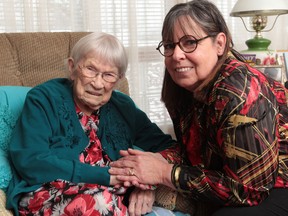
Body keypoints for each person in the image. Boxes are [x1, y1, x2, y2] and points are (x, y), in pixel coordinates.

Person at [109, 0, 288, 215]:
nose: (176, 55)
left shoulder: (239, 90)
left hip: (275, 183)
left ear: (220, 44)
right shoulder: (184, 83)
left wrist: (165, 173)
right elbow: (193, 153)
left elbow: (249, 190)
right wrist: (150, 170)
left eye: (190, 42)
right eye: (169, 45)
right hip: (238, 178)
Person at [6, 32, 179, 216]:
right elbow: (30, 160)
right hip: (49, 193)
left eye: (108, 75)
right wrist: (105, 176)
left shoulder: (124, 107)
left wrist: (149, 184)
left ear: (118, 79)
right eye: (90, 70)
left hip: (112, 198)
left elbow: (171, 148)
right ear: (72, 68)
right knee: (100, 202)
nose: (98, 83)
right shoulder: (44, 99)